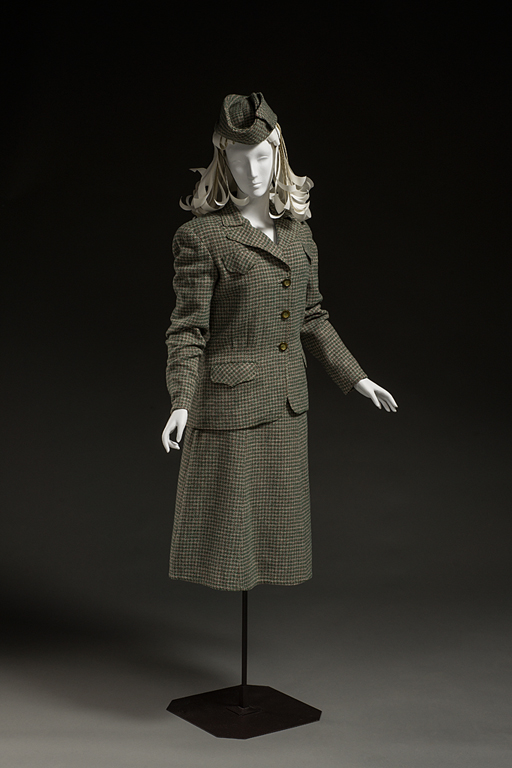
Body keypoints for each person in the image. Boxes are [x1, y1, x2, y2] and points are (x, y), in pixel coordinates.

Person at [161, 92, 397, 592]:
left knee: (276, 536)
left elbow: (312, 316)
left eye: (262, 156)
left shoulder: (298, 235)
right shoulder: (202, 238)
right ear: (223, 161)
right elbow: (188, 330)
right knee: (230, 535)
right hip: (230, 407)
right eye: (239, 158)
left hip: (287, 405)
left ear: (279, 155)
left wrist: (358, 378)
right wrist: (181, 401)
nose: (252, 170)